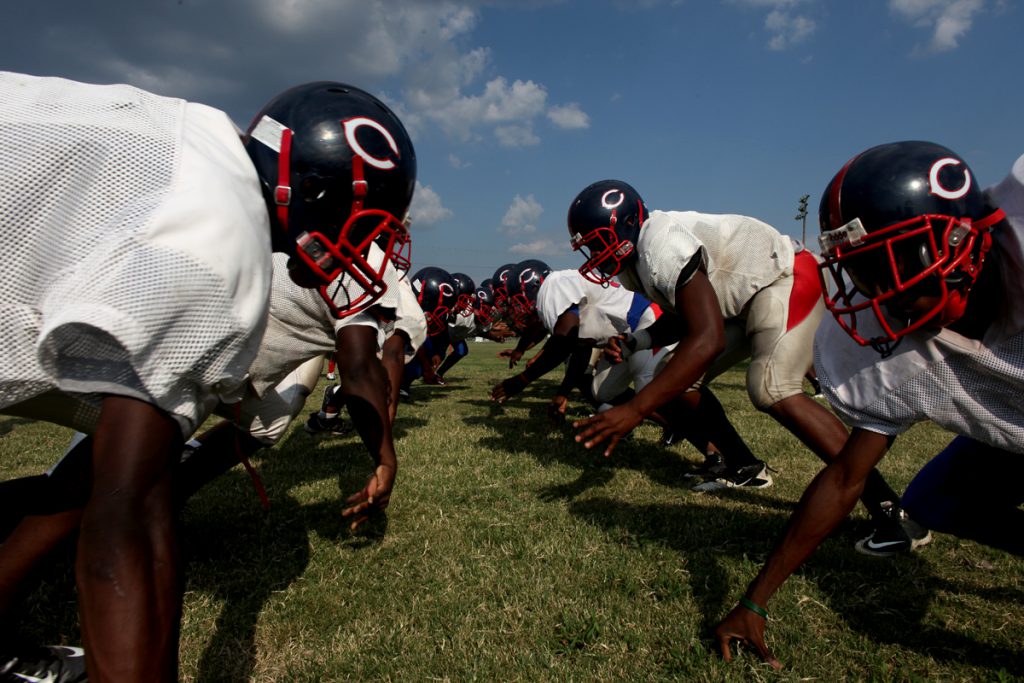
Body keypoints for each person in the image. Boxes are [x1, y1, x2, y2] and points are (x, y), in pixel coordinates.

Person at [0, 72, 415, 682]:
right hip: (197, 350)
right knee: (121, 485)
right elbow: (132, 523)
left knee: (119, 473)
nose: (366, 251)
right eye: (366, 224)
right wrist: (385, 454)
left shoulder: (199, 141)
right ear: (315, 190)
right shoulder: (219, 240)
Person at [713, 140, 1019, 668]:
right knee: (934, 503)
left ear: (962, 237)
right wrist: (753, 600)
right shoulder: (888, 334)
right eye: (860, 268)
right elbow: (845, 477)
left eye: (891, 260)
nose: (877, 290)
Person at [565, 178, 916, 515]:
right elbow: (685, 316)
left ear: (628, 222)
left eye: (599, 242)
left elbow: (707, 338)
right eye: (589, 247)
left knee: (770, 388)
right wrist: (634, 341)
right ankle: (745, 467)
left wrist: (635, 409)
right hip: (743, 302)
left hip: (783, 278)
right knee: (671, 378)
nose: (595, 254)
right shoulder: (637, 262)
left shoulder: (660, 246)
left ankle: (887, 507)